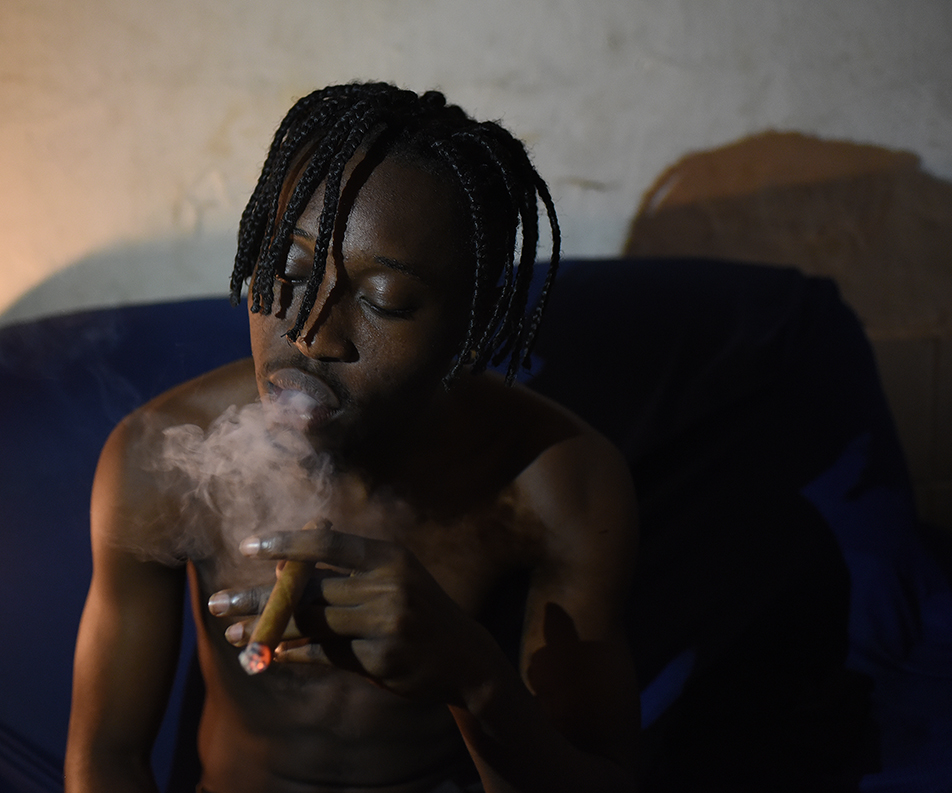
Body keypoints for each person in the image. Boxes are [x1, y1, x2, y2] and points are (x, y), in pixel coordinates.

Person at [65, 82, 640, 793]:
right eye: (293, 269)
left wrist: (475, 677)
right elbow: (106, 759)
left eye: (384, 302)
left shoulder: (555, 482)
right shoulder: (161, 452)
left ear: (471, 332)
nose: (310, 333)